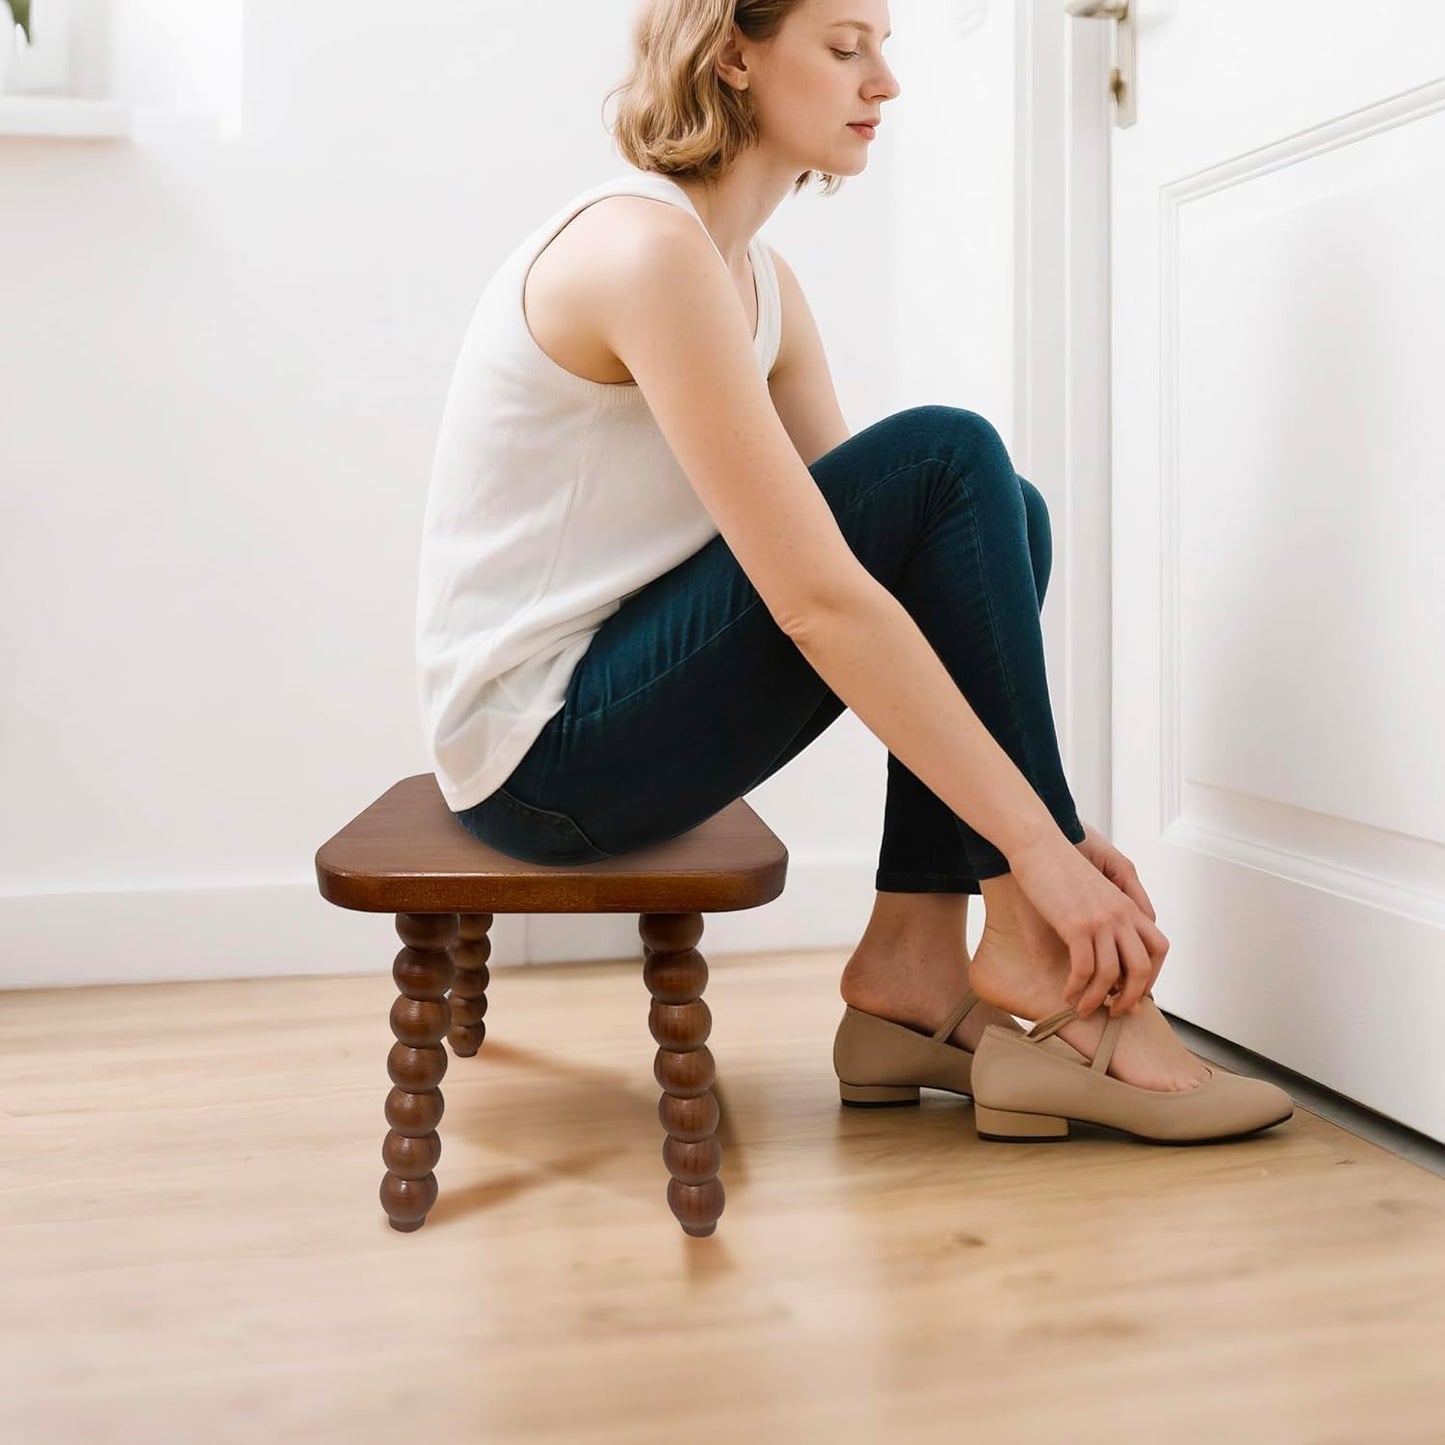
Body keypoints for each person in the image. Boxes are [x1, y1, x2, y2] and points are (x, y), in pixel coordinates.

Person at [414, 0, 1293, 1143]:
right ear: (731, 52)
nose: (882, 82)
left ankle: (911, 970)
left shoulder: (758, 281)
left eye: (883, 47)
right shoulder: (642, 251)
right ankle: (1028, 943)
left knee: (996, 513)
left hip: (610, 718)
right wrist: (1037, 850)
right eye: (843, 47)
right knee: (947, 454)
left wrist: (1046, 838)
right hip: (540, 757)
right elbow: (816, 601)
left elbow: (908, 569)